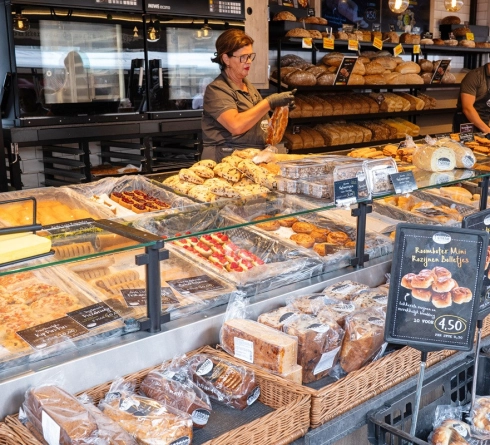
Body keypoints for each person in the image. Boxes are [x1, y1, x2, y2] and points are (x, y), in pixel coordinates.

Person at [201, 28, 295, 162]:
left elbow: (256, 120)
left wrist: (279, 109)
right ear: (226, 59)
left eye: (250, 56)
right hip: (226, 161)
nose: (249, 61)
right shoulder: (216, 90)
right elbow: (236, 126)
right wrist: (269, 102)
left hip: (251, 158)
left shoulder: (249, 87)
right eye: (243, 57)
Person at [454, 63, 490, 134]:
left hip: (485, 122)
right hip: (468, 124)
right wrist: (488, 131)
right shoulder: (474, 76)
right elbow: (467, 108)